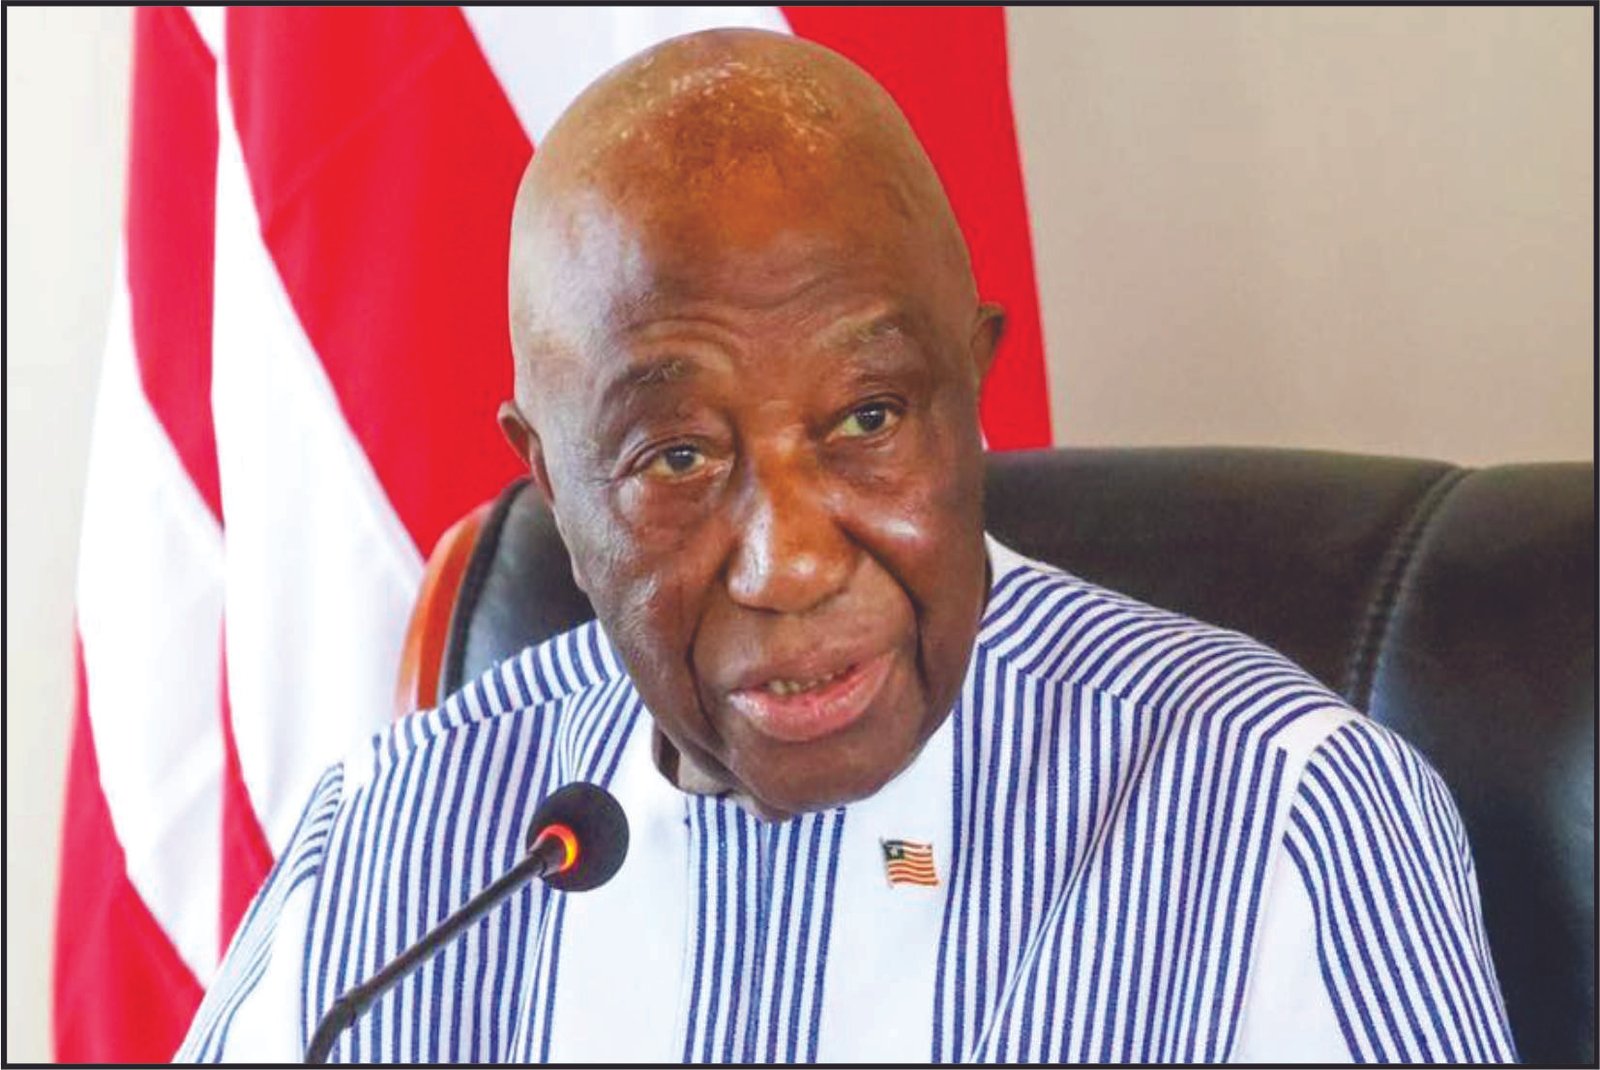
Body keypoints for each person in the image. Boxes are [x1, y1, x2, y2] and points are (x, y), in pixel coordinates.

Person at [178, 28, 1515, 1063]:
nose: (791, 563)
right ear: (551, 484)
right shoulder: (395, 860)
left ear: (970, 393)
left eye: (868, 419)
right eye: (678, 458)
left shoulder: (1275, 822)